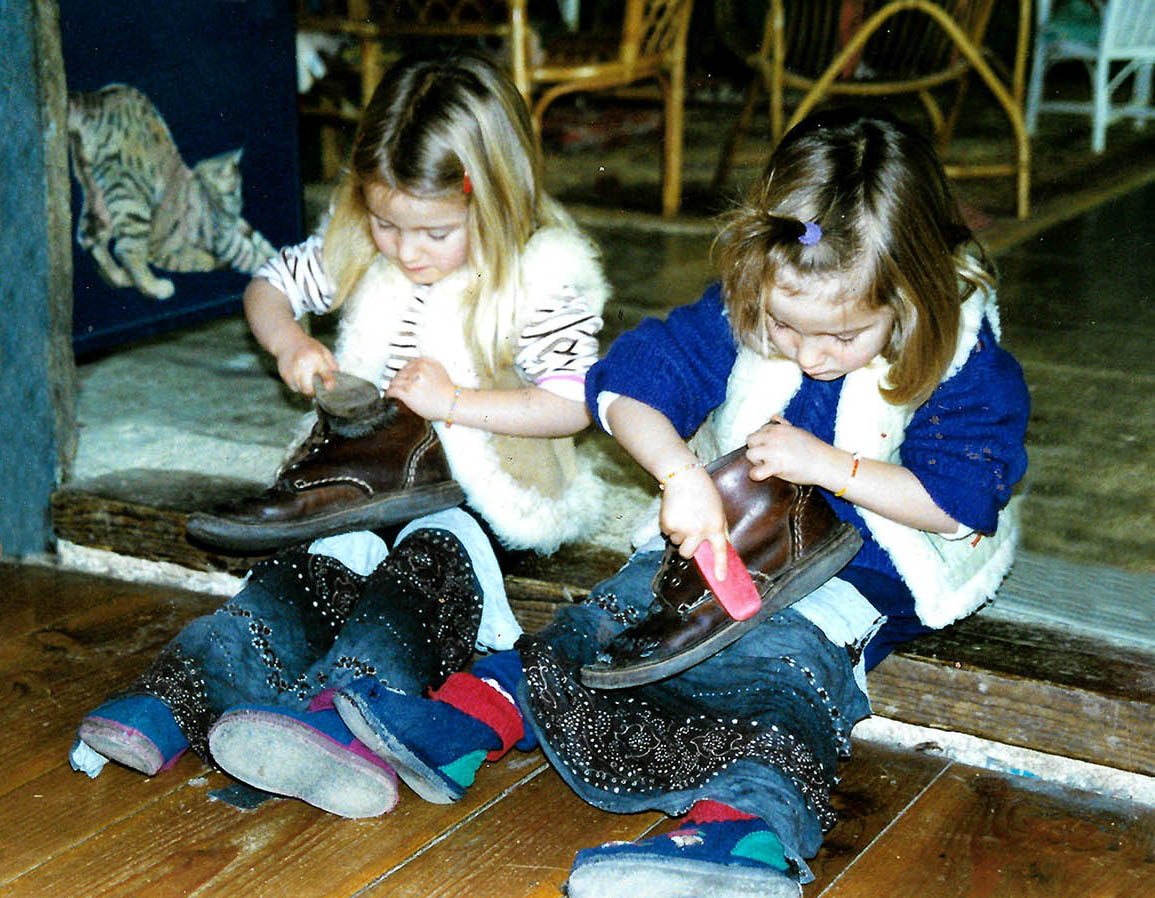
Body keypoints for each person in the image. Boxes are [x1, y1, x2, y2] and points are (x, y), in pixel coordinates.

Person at [325, 108, 1029, 895]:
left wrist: (831, 466)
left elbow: (956, 502)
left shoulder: (963, 362)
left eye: (841, 337)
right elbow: (624, 385)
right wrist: (678, 475)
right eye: (786, 327)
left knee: (785, 660)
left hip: (867, 561)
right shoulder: (754, 301)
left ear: (914, 295)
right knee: (615, 613)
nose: (808, 353)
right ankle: (462, 721)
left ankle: (745, 834)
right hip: (736, 532)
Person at [69, 51, 609, 820]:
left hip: (473, 504)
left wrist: (457, 400)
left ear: (494, 202)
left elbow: (570, 404)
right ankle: (177, 696)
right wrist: (290, 343)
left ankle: (345, 715)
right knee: (308, 572)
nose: (405, 249)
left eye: (433, 232)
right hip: (359, 487)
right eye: (386, 222)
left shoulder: (540, 275)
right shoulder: (362, 239)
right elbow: (268, 285)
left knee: (418, 581)